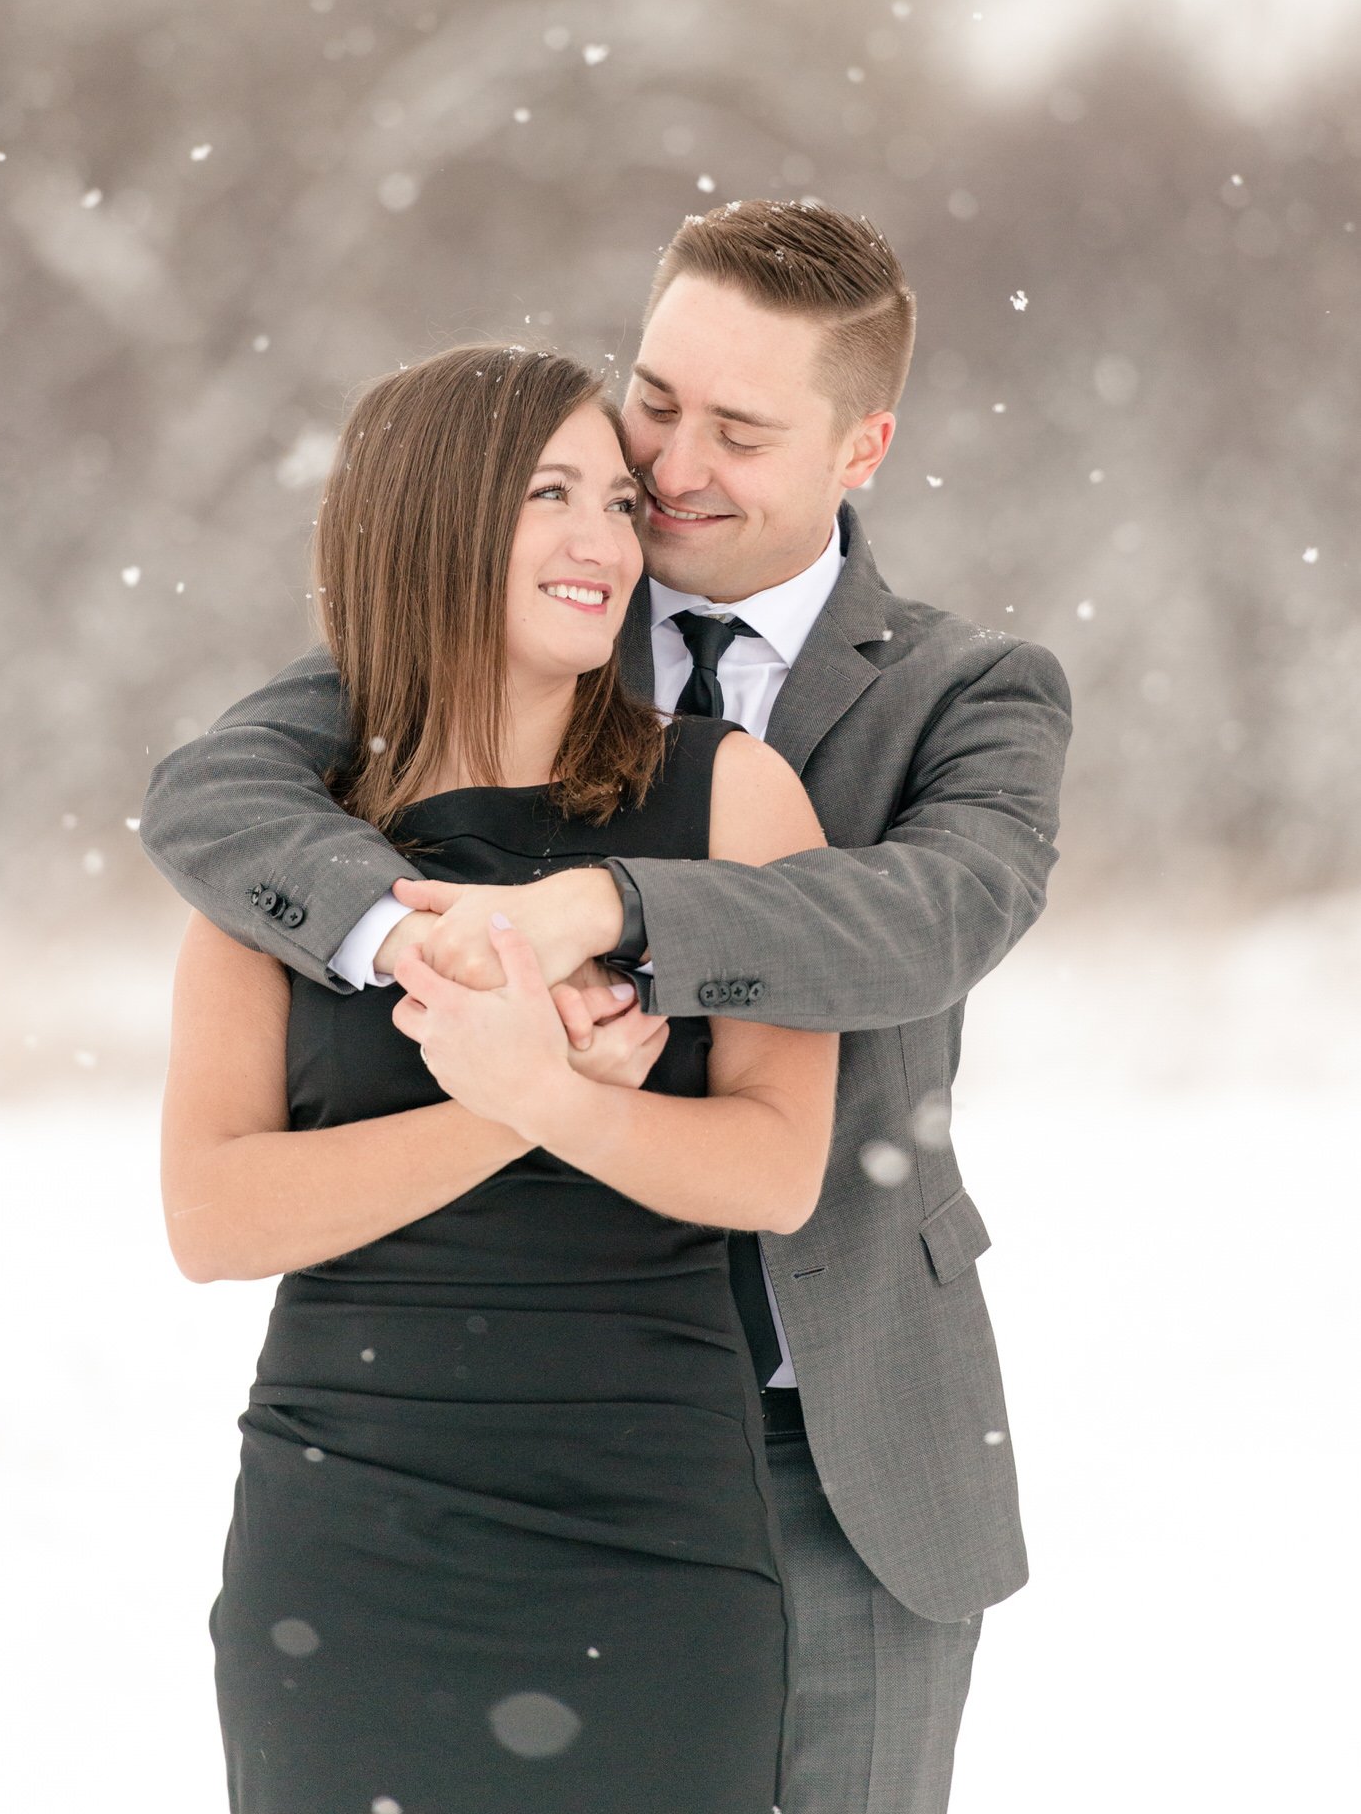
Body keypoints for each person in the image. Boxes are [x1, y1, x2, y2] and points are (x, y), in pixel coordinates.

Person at [143, 198, 1073, 1814]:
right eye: (657, 400)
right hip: (457, 1422)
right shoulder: (536, 603)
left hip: (822, 1427)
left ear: (862, 445)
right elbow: (215, 796)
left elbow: (929, 921)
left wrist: (608, 908)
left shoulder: (965, 691)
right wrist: (413, 946)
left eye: (740, 427)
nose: (670, 467)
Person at [157, 340, 838, 1814]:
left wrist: (559, 1102)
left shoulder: (728, 797)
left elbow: (777, 1167)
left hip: (654, 1524)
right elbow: (215, 1217)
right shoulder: (287, 840)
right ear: (431, 519)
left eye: (616, 499)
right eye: (551, 494)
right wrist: (504, 1103)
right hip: (350, 1528)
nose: (605, 540)